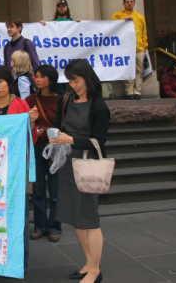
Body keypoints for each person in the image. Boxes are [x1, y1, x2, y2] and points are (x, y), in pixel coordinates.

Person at [50, 59, 110, 283]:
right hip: (66, 162)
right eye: (70, 81)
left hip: (87, 166)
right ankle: (88, 263)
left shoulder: (98, 106)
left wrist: (71, 140)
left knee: (89, 218)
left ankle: (95, 270)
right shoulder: (66, 100)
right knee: (76, 217)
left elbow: (100, 141)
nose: (73, 85)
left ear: (87, 78)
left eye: (76, 80)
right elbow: (58, 124)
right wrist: (51, 133)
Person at [0, 65, 38, 273]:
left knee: (18, 217)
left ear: (9, 83)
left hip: (15, 170)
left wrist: (32, 124)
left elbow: (32, 138)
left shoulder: (21, 106)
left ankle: (21, 264)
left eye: (0, 82)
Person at [26, 65, 62, 242]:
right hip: (36, 148)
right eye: (36, 76)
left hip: (55, 148)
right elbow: (24, 123)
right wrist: (34, 129)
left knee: (55, 191)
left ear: (51, 79)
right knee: (38, 189)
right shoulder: (30, 99)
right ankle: (39, 226)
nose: (38, 80)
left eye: (42, 77)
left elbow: (65, 123)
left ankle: (55, 227)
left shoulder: (61, 100)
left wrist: (50, 131)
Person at [111, 0, 148, 100]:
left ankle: (137, 91)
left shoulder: (140, 17)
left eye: (132, 1)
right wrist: (124, 21)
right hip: (125, 49)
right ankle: (129, 91)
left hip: (138, 49)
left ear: (135, 3)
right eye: (127, 2)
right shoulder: (118, 15)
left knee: (138, 70)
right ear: (124, 3)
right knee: (128, 70)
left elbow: (144, 33)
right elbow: (112, 27)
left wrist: (145, 46)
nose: (130, 3)